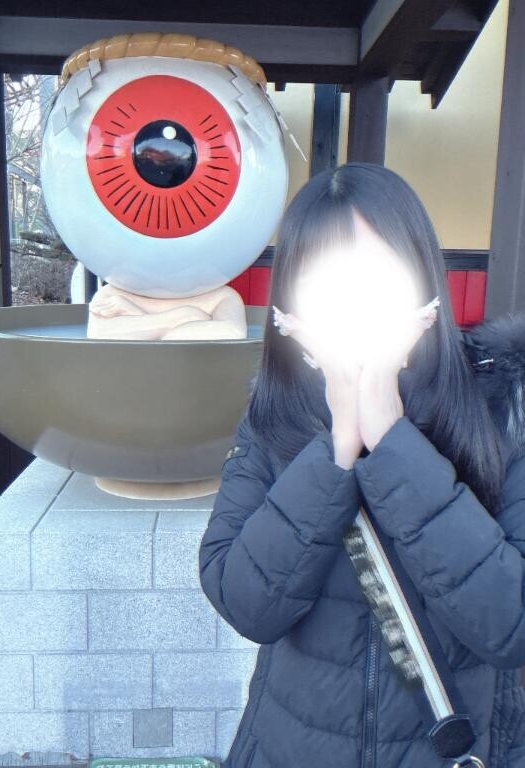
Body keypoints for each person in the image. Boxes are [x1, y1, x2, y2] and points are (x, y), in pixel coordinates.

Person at [198, 163, 525, 767]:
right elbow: (245, 603)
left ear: (421, 279)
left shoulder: (502, 404)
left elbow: (512, 623)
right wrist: (336, 448)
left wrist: (390, 437)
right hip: (290, 748)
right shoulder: (276, 414)